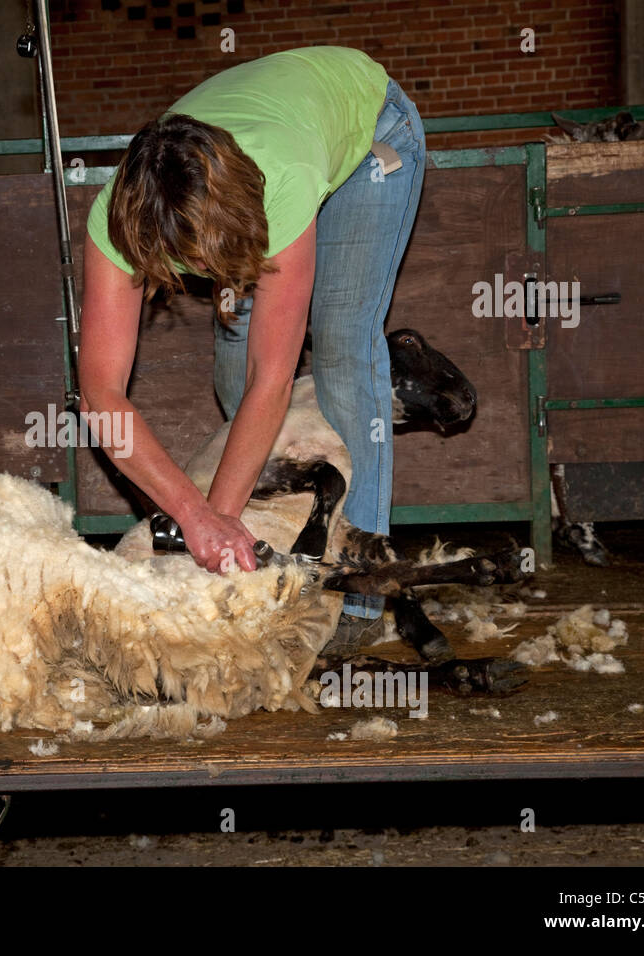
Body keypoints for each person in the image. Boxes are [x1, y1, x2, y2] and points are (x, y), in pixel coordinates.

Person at [78, 46, 425, 640]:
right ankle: (268, 555)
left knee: (341, 343)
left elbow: (277, 377)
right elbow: (102, 398)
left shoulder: (282, 184)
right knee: (234, 360)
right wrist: (197, 518)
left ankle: (357, 603)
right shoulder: (117, 216)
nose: (197, 277)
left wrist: (217, 523)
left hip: (372, 132)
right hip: (268, 139)